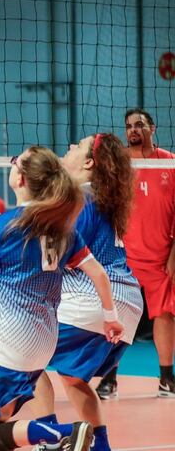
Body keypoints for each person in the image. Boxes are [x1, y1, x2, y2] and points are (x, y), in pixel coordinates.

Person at [0, 146, 124, 451]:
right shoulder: (60, 227)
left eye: (16, 161)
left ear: (20, 179)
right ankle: (57, 433)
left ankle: (61, 433)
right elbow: (98, 273)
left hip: (11, 345)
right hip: (44, 343)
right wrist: (111, 317)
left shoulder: (3, 227)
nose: (12, 164)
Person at [31, 133, 143, 451]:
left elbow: (55, 258)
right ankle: (100, 446)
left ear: (89, 162)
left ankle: (49, 439)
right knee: (73, 378)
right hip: (129, 304)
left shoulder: (79, 198)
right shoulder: (103, 200)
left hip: (94, 301)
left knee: (28, 359)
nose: (68, 148)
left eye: (78, 146)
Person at [97, 108, 175, 399]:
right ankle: (109, 378)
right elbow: (105, 206)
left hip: (160, 257)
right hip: (122, 257)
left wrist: (174, 254)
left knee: (165, 315)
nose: (133, 130)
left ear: (152, 128)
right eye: (129, 126)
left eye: (139, 125)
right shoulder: (118, 165)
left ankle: (167, 379)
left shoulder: (170, 163)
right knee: (117, 318)